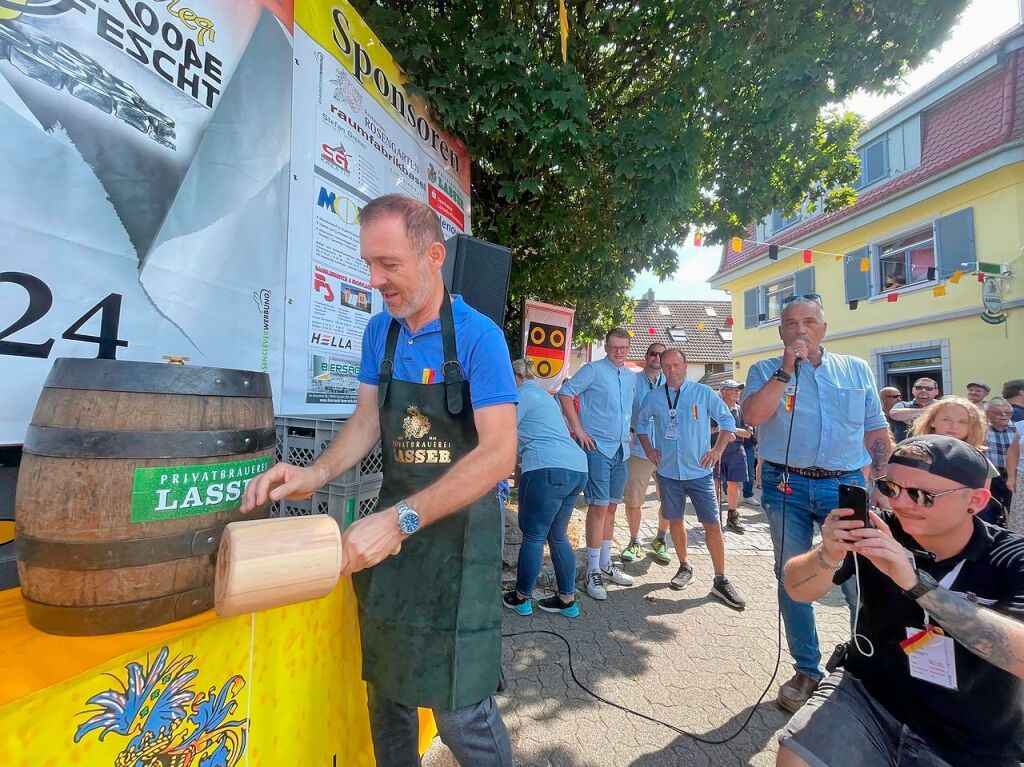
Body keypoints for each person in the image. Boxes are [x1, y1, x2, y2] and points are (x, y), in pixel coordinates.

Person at [241, 195, 516, 767]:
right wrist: (312, 473)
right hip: (392, 540)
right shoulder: (380, 335)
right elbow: (367, 421)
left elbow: (498, 456)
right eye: (368, 263)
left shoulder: (478, 336)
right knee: (387, 691)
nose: (374, 279)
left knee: (461, 709)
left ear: (433, 255)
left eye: (388, 264)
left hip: (458, 547)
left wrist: (402, 519)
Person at [777, 435, 1024, 767]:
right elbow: (797, 590)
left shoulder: (1010, 558)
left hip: (969, 736)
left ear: (976, 501)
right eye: (892, 489)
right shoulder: (881, 531)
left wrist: (917, 584)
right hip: (871, 697)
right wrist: (828, 553)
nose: (902, 504)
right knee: (798, 758)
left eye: (923, 495)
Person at [742, 295, 890, 713]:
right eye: (790, 323)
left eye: (809, 321)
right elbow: (753, 415)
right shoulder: (764, 370)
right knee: (794, 574)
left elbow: (875, 429)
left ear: (824, 327)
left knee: (857, 575)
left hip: (844, 485)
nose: (800, 330)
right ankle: (807, 668)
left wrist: (882, 479)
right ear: (781, 332)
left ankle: (868, 661)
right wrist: (785, 370)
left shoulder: (856, 369)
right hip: (784, 483)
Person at [636, 349, 747, 610]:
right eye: (667, 366)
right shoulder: (653, 397)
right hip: (668, 473)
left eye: (676, 365)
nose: (671, 370)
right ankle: (684, 565)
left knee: (712, 525)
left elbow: (727, 422)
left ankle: (720, 578)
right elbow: (640, 425)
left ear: (685, 367)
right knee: (675, 520)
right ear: (662, 368)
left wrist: (717, 450)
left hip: (700, 473)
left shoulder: (703, 393)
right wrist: (650, 450)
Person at [503, 359, 587, 619]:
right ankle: (566, 599)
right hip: (576, 468)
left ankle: (522, 598)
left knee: (533, 536)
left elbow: (502, 432)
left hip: (546, 468)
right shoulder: (544, 397)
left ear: (515, 375)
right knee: (558, 535)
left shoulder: (521, 395)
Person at [559, 330, 636, 600]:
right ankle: (592, 569)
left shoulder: (630, 377)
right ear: (606, 346)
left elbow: (627, 410)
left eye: (623, 347)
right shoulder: (593, 370)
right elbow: (565, 393)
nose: (618, 351)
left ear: (628, 348)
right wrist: (577, 429)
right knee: (599, 507)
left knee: (612, 507)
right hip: (597, 448)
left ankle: (605, 563)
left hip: (621, 449)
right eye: (614, 347)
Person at [622, 342, 673, 564]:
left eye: (661, 355)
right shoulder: (632, 380)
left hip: (666, 451)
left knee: (669, 499)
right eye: (653, 353)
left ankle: (660, 539)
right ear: (646, 356)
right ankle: (634, 541)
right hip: (638, 450)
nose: (656, 357)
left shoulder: (672, 384)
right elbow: (622, 408)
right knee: (634, 499)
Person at [713, 379, 752, 534]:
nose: (737, 392)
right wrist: (720, 431)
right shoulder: (713, 409)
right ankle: (714, 518)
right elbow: (704, 429)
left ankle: (732, 516)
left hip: (735, 452)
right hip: (716, 451)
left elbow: (748, 433)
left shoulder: (740, 410)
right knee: (715, 485)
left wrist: (731, 429)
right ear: (723, 392)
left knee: (734, 485)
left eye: (738, 390)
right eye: (734, 389)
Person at [908, 395, 987, 449]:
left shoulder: (977, 458)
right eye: (946, 420)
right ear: (932, 421)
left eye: (962, 422)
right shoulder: (916, 451)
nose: (954, 426)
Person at [983, 398, 1016, 526]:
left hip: (1012, 476)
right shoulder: (981, 430)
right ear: (987, 413)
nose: (1003, 415)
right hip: (990, 477)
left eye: (1007, 412)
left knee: (1014, 508)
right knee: (990, 510)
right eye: (997, 412)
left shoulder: (1018, 429)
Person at [888, 377, 940, 442]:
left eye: (928, 388)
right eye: (919, 387)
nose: (923, 390)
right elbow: (894, 414)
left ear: (936, 392)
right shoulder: (903, 405)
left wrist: (910, 415)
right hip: (905, 447)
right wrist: (930, 411)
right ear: (913, 390)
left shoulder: (942, 406)